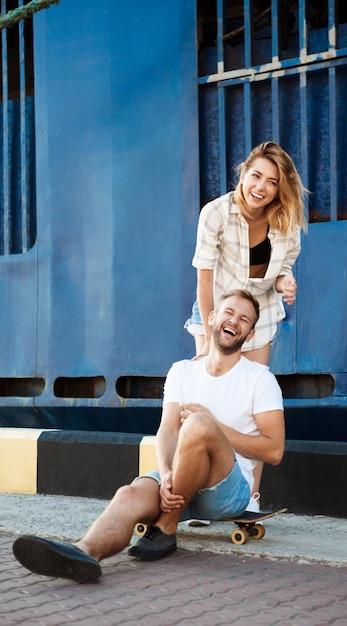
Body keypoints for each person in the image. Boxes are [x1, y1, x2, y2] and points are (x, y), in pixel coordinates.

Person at [13, 289, 285, 584]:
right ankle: (83, 553)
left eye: (244, 319)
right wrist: (167, 473)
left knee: (198, 424)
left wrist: (216, 426)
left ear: (250, 333)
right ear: (212, 317)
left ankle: (166, 528)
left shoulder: (260, 379)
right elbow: (167, 429)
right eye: (229, 312)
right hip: (183, 481)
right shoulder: (182, 371)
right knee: (128, 494)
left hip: (226, 494)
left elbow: (274, 451)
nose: (235, 321)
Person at [185, 141, 307, 506]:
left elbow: (282, 269)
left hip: (261, 318)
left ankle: (249, 497)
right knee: (209, 407)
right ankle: (204, 495)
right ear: (243, 172)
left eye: (272, 182)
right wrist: (208, 340)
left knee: (251, 408)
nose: (262, 187)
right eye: (256, 175)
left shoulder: (285, 220)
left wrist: (285, 282)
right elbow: (204, 280)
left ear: (279, 187)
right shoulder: (216, 214)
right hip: (217, 316)